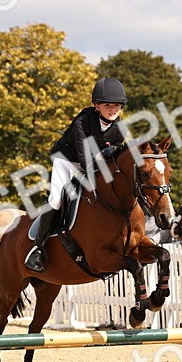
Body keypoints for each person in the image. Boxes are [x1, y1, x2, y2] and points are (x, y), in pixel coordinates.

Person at [24, 77, 128, 272]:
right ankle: (38, 248)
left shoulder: (120, 129)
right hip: (67, 162)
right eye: (108, 105)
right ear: (96, 106)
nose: (113, 110)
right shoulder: (83, 122)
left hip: (93, 164)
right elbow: (84, 159)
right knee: (56, 200)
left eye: (117, 105)